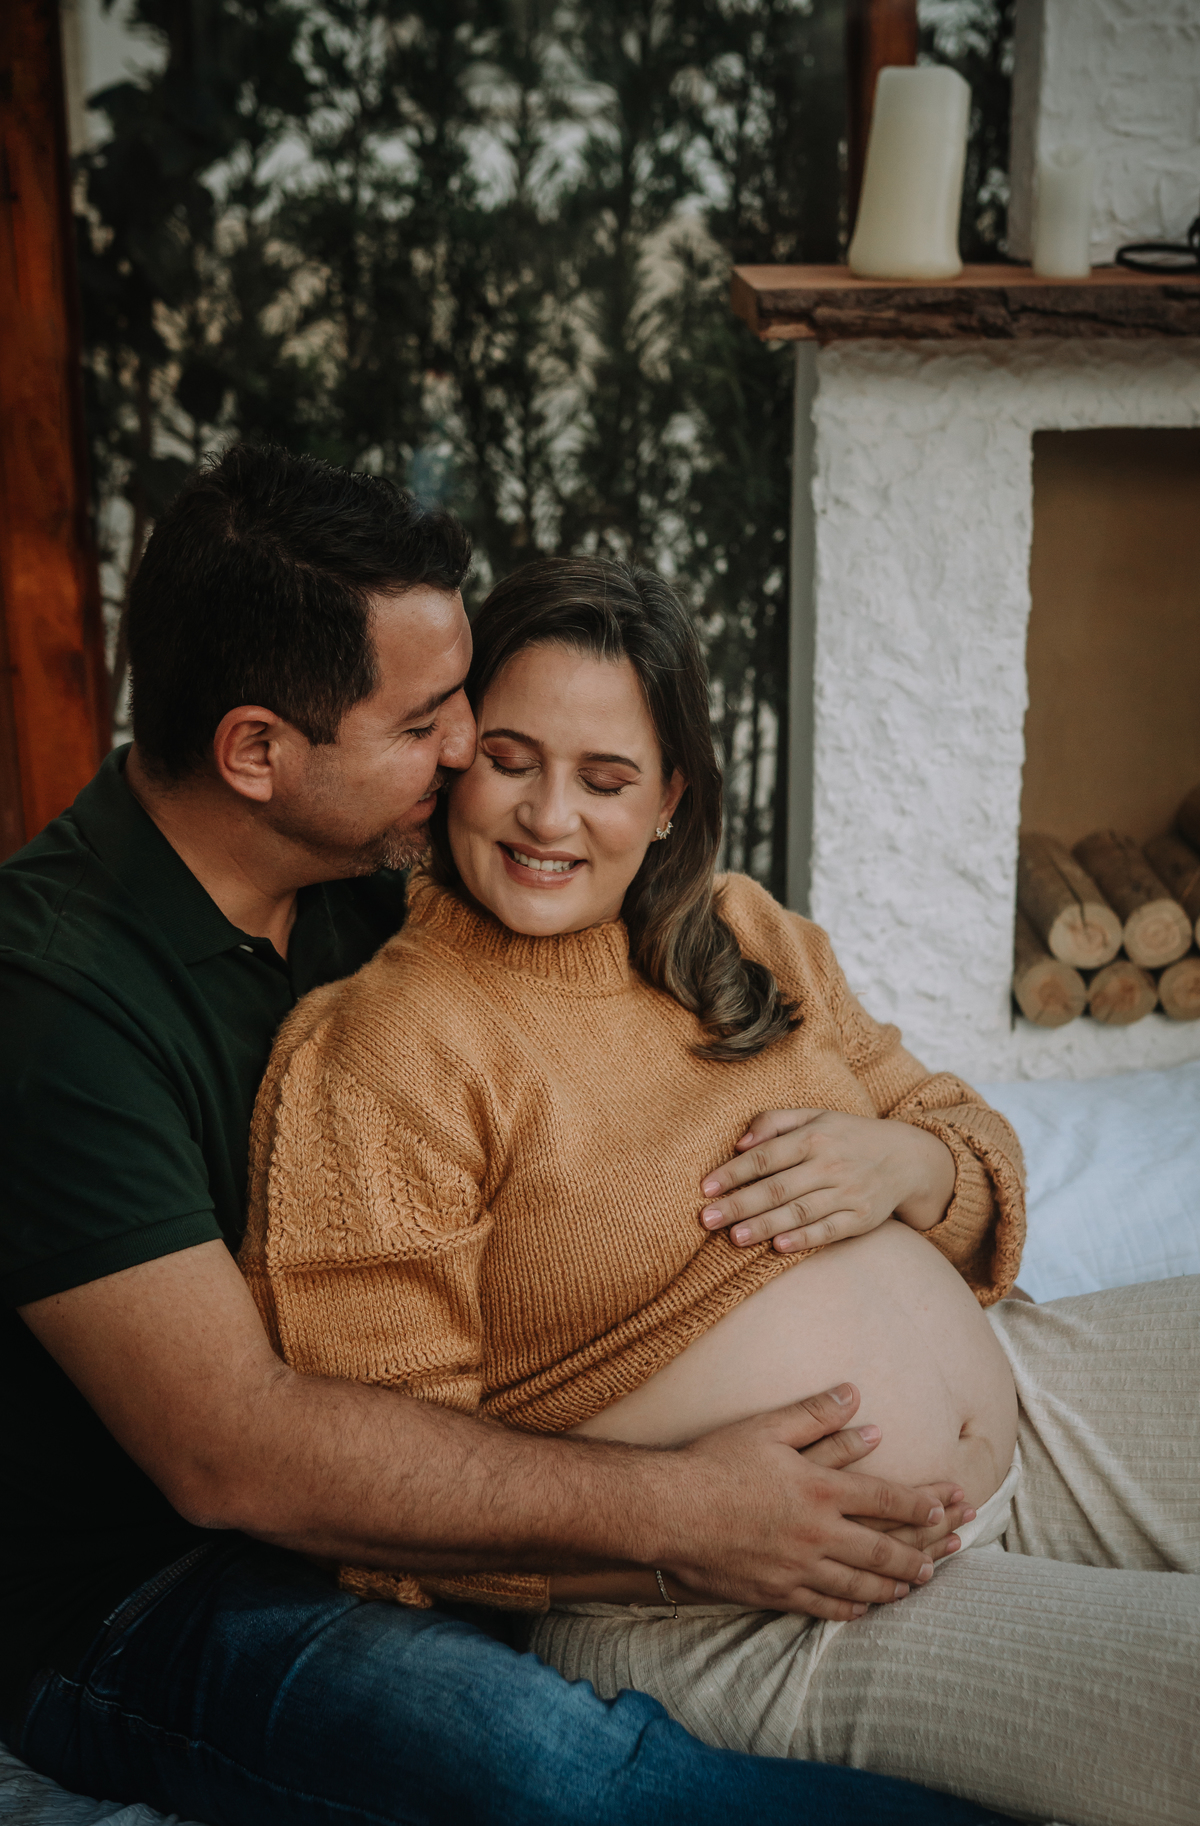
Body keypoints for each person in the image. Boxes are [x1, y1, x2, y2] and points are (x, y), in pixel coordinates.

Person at [0, 444, 1019, 1826]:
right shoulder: (52, 1000)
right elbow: (233, 1447)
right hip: (146, 1591)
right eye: (427, 721)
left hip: (444, 1498)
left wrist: (900, 1168)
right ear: (257, 752)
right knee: (555, 1769)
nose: (467, 751)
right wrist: (684, 1510)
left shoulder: (373, 866)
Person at [244, 553, 1200, 1826]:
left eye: (605, 778)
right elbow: (382, 1483)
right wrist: (682, 1530)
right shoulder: (385, 1045)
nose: (549, 816)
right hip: (733, 1599)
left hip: (1034, 1405)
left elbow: (969, 1134)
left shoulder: (743, 932)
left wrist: (910, 1164)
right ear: (456, 758)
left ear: (669, 795)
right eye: (512, 760)